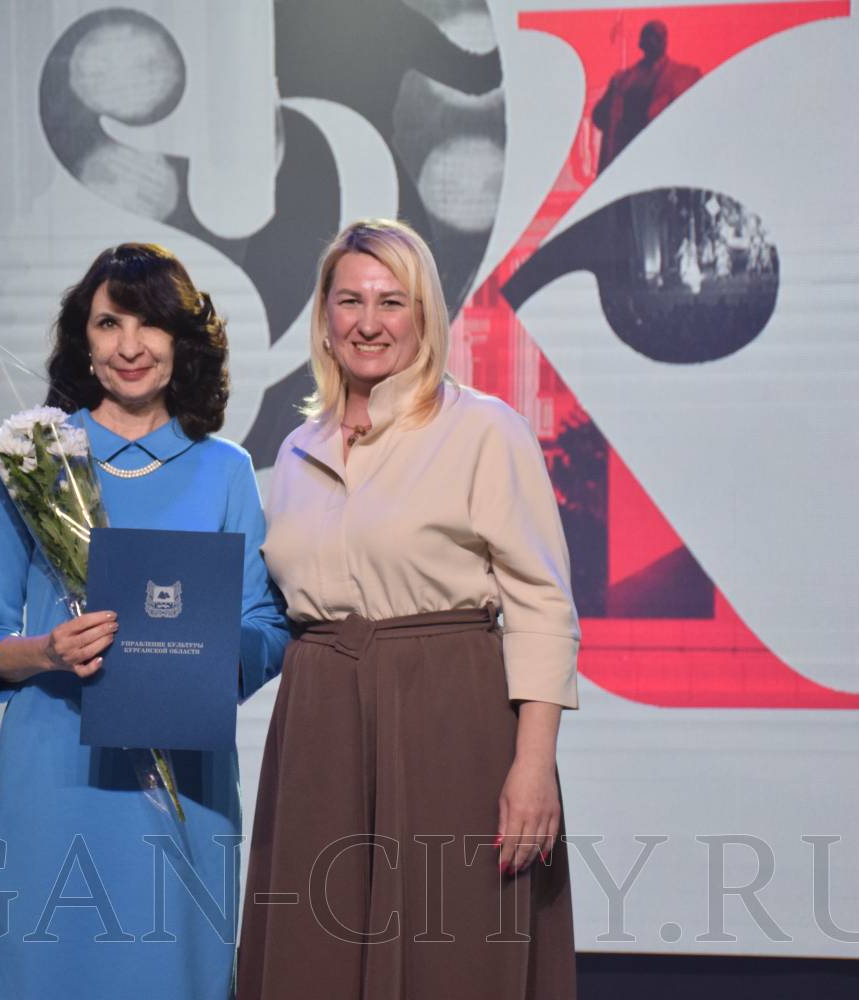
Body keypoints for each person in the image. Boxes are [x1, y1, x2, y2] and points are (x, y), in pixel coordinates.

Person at [237, 219, 580, 999]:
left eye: (392, 301)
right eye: (350, 300)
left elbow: (541, 604)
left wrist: (533, 768)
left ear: (425, 315)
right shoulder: (296, 450)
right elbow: (278, 608)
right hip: (319, 729)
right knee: (314, 954)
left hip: (449, 721)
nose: (369, 322)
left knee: (451, 950)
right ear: (324, 316)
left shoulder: (484, 429)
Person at [0, 243, 289, 999]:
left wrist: (202, 655)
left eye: (150, 323)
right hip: (56, 769)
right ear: (84, 339)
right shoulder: (36, 463)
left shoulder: (225, 469)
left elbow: (267, 628)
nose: (130, 346)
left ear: (183, 340)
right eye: (109, 323)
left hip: (183, 780)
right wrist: (46, 652)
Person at [591, 19, 701, 171]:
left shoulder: (684, 76)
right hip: (627, 159)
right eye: (652, 35)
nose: (657, 40)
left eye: (660, 36)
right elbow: (599, 117)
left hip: (663, 160)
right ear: (641, 42)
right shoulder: (622, 80)